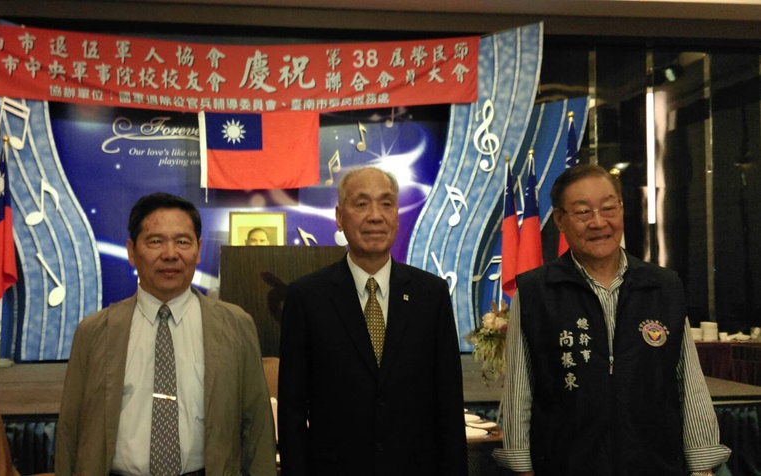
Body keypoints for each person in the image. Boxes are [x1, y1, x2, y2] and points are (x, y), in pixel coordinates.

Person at [493, 164, 731, 476]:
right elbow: (519, 389)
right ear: (560, 220)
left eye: (608, 208)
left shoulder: (663, 286)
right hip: (566, 465)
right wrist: (522, 466)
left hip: (654, 464)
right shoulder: (536, 291)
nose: (598, 222)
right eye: (583, 212)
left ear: (621, 209)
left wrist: (702, 466)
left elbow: (689, 381)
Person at [56, 192, 276, 476]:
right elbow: (70, 429)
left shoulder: (235, 325)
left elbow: (257, 425)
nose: (170, 254)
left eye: (182, 242)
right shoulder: (94, 331)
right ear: (132, 251)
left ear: (198, 249)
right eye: (155, 241)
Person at [278, 167, 467, 476]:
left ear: (397, 216)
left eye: (386, 204)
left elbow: (448, 405)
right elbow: (292, 412)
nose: (375, 216)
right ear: (340, 217)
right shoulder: (307, 297)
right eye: (362, 203)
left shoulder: (431, 295)